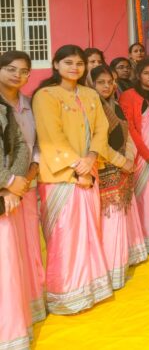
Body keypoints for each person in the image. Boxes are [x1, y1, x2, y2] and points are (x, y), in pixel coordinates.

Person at [33, 45, 112, 314]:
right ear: (56, 64)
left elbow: (101, 129)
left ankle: (90, 289)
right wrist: (78, 167)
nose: (74, 68)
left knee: (90, 233)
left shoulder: (90, 94)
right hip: (61, 177)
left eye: (79, 63)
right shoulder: (46, 95)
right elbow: (51, 135)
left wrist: (91, 158)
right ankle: (66, 295)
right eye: (68, 63)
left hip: (89, 171)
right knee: (65, 237)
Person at [0, 51, 46, 325]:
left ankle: (31, 305)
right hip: (6, 188)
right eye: (10, 69)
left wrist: (31, 171)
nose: (17, 75)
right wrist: (9, 183)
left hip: (27, 183)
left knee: (29, 245)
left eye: (24, 71)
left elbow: (36, 143)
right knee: (8, 251)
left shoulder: (29, 104)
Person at [90, 65, 144, 290]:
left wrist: (129, 157)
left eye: (110, 82)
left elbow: (128, 134)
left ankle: (120, 265)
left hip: (122, 168)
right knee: (110, 222)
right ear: (91, 84)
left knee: (120, 219)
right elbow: (98, 144)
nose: (107, 86)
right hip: (106, 170)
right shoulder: (93, 107)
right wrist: (123, 162)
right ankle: (111, 272)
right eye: (101, 82)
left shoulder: (115, 105)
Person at [119, 60, 149, 253]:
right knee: (143, 197)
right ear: (138, 75)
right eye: (146, 73)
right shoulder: (128, 96)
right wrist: (146, 153)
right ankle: (143, 239)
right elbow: (129, 128)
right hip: (139, 155)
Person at [0, 73, 31, 349]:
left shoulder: (4, 108)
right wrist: (8, 181)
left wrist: (14, 182)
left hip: (6, 195)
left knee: (7, 267)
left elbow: (20, 144)